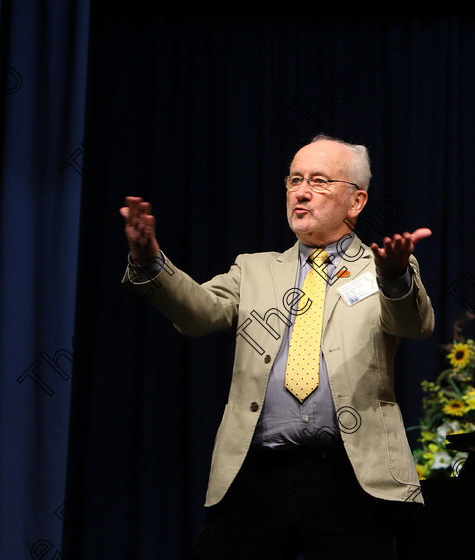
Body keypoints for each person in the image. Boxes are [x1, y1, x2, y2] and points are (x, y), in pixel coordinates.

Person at [120, 134, 435, 559]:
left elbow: (414, 325)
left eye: (319, 181)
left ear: (356, 202)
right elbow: (198, 314)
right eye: (295, 180)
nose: (301, 191)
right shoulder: (255, 268)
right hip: (256, 475)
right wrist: (150, 262)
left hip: (351, 475)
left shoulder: (382, 266)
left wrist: (395, 277)